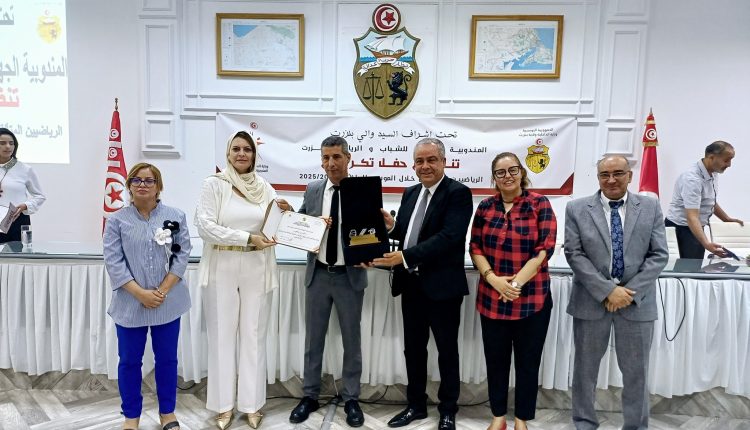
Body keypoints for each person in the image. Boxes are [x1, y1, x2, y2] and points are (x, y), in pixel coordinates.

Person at [374, 137, 473, 430]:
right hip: (412, 285)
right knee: (414, 350)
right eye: (420, 161)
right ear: (413, 165)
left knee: (446, 351)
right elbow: (410, 233)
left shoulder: (458, 193)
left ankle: (448, 410)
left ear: (444, 162)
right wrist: (392, 227)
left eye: (431, 160)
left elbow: (448, 237)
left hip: (443, 288)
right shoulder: (410, 192)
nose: (425, 166)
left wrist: (404, 257)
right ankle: (415, 405)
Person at [564, 155, 668, 430]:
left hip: (636, 303)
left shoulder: (650, 206)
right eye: (605, 175)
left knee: (636, 373)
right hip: (590, 302)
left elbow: (659, 255)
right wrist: (608, 291)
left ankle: (635, 426)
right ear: (598, 178)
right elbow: (574, 254)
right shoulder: (576, 208)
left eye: (618, 173)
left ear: (629, 175)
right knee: (585, 371)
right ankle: (584, 423)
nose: (611, 180)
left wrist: (627, 294)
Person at [195, 131, 290, 430]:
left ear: (254, 155)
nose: (241, 154)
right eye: (236, 148)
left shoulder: (265, 188)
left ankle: (252, 405)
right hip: (222, 263)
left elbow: (274, 228)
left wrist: (287, 216)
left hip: (257, 266)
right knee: (222, 336)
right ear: (228, 153)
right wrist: (247, 238)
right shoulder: (214, 184)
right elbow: (205, 227)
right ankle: (223, 406)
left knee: (253, 336)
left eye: (247, 149)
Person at [469, 152, 557, 430]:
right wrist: (493, 279)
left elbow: (544, 249)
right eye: (500, 172)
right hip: (492, 298)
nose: (507, 176)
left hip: (532, 299)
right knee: (496, 361)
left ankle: (521, 419)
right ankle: (498, 417)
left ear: (522, 172)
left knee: (528, 363)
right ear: (494, 177)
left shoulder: (539, 204)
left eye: (512, 170)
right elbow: (475, 247)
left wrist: (515, 285)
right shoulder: (485, 207)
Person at [103, 162, 192, 430]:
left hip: (168, 302)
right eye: (137, 180)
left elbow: (181, 256)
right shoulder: (116, 220)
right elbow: (114, 262)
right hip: (130, 303)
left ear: (158, 186)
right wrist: (140, 294)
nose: (143, 185)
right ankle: (131, 416)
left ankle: (167, 413)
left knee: (167, 360)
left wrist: (161, 291)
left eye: (149, 180)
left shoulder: (176, 216)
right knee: (130, 361)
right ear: (129, 185)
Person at [289, 136, 367, 428]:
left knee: (352, 341)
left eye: (336, 157)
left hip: (349, 277)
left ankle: (351, 398)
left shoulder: (362, 190)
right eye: (325, 158)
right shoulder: (313, 189)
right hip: (319, 274)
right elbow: (298, 226)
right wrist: (289, 217)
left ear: (348, 159)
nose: (331, 163)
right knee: (313, 340)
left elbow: (372, 230)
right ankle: (309, 395)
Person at [665, 141, 743, 259]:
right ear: (711, 157)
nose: (729, 165)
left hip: (694, 226)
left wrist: (726, 219)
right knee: (689, 267)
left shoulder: (713, 172)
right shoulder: (692, 179)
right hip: (682, 228)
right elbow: (691, 217)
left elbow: (709, 201)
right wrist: (706, 244)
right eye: (726, 160)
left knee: (695, 265)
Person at [0, 128, 46, 243]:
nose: (8, 146)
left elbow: (40, 196)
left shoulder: (25, 169)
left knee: (18, 254)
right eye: (2, 143)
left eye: (11, 143)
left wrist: (25, 205)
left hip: (16, 221)